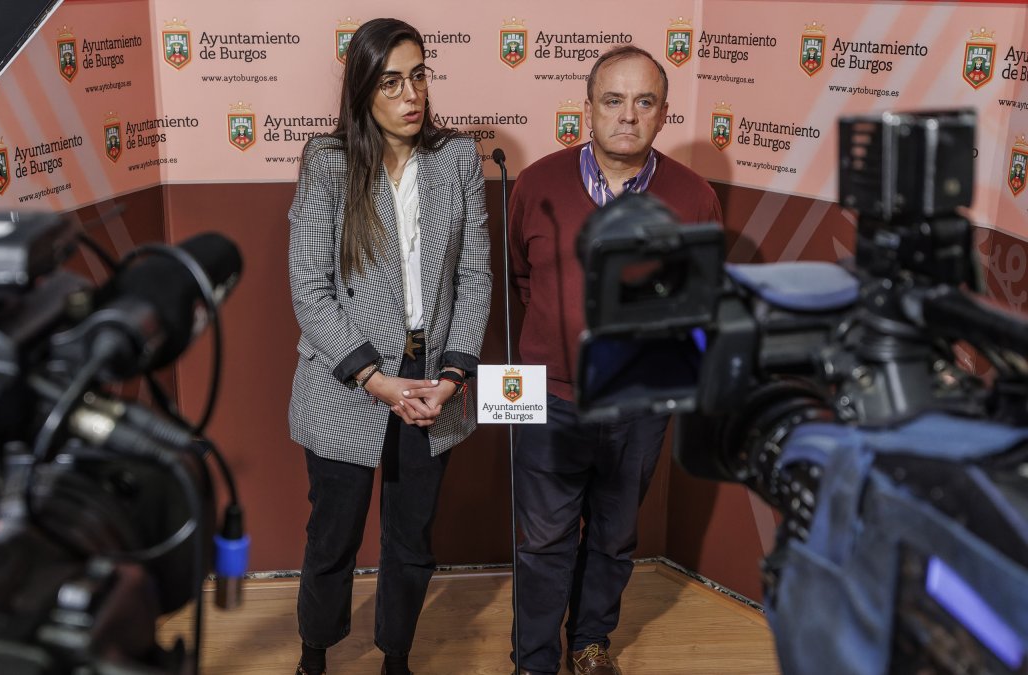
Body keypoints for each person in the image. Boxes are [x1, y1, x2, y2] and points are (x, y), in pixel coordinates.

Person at [507, 44, 722, 675]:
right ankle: (534, 660)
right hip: (546, 396)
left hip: (640, 402)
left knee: (613, 535)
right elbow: (523, 277)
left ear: (663, 114)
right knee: (542, 540)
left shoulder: (694, 197)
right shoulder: (536, 184)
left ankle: (590, 642)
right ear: (587, 110)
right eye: (613, 100)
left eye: (644, 101)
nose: (628, 115)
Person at [287, 17, 491, 675]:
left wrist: (453, 376)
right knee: (332, 536)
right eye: (392, 82)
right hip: (348, 378)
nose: (412, 95)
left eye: (419, 76)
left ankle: (396, 656)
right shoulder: (328, 161)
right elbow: (309, 289)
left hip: (433, 377)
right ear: (363, 90)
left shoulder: (458, 158)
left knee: (411, 538)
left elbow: (474, 276)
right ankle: (314, 654)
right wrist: (374, 378)